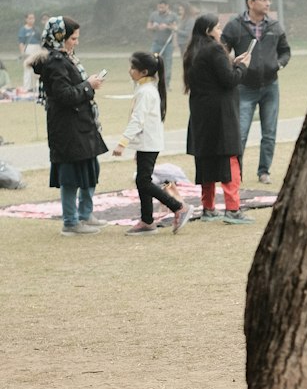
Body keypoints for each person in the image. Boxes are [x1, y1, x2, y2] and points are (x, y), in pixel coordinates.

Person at [32, 15, 108, 236]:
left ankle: (85, 214)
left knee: (89, 169)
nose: (76, 42)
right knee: (70, 176)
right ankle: (71, 221)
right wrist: (88, 85)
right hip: (66, 127)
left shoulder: (66, 58)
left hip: (81, 123)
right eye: (73, 38)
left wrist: (88, 85)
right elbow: (63, 95)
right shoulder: (54, 62)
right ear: (60, 37)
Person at [183, 14, 254, 225]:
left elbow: (213, 73)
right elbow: (229, 79)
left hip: (201, 114)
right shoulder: (214, 49)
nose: (220, 31)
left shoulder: (192, 51)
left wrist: (232, 62)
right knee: (229, 158)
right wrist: (242, 67)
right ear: (208, 31)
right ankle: (233, 209)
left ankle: (208, 208)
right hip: (221, 114)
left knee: (206, 160)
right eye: (217, 27)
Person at [110, 50, 190, 235]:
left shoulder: (146, 91)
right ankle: (147, 220)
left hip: (149, 142)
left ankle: (178, 207)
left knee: (144, 181)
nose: (130, 71)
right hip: (147, 142)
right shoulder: (146, 87)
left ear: (144, 72)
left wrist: (123, 143)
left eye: (132, 68)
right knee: (142, 180)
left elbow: (138, 120)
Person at [221, 0, 291, 185]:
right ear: (250, 3)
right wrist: (233, 64)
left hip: (270, 86)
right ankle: (237, 172)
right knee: (240, 133)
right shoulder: (235, 26)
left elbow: (285, 51)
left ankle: (264, 171)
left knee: (269, 132)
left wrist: (278, 64)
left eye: (269, 0)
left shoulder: (275, 26)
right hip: (244, 87)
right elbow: (222, 50)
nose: (267, 3)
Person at [146, 0, 179, 86]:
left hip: (168, 44)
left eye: (162, 7)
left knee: (167, 63)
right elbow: (148, 26)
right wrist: (154, 27)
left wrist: (167, 26)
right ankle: (151, 81)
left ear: (167, 6)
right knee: (152, 61)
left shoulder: (173, 16)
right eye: (159, 7)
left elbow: (176, 27)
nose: (160, 9)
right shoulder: (154, 15)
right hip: (156, 43)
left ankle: (166, 84)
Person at [17, 12, 41, 93]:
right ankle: (27, 87)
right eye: (30, 18)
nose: (31, 20)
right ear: (26, 19)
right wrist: (22, 52)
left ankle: (38, 87)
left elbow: (40, 40)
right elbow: (21, 42)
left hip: (37, 48)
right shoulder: (23, 30)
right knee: (28, 68)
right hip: (28, 49)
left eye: (33, 18)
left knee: (38, 67)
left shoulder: (36, 29)